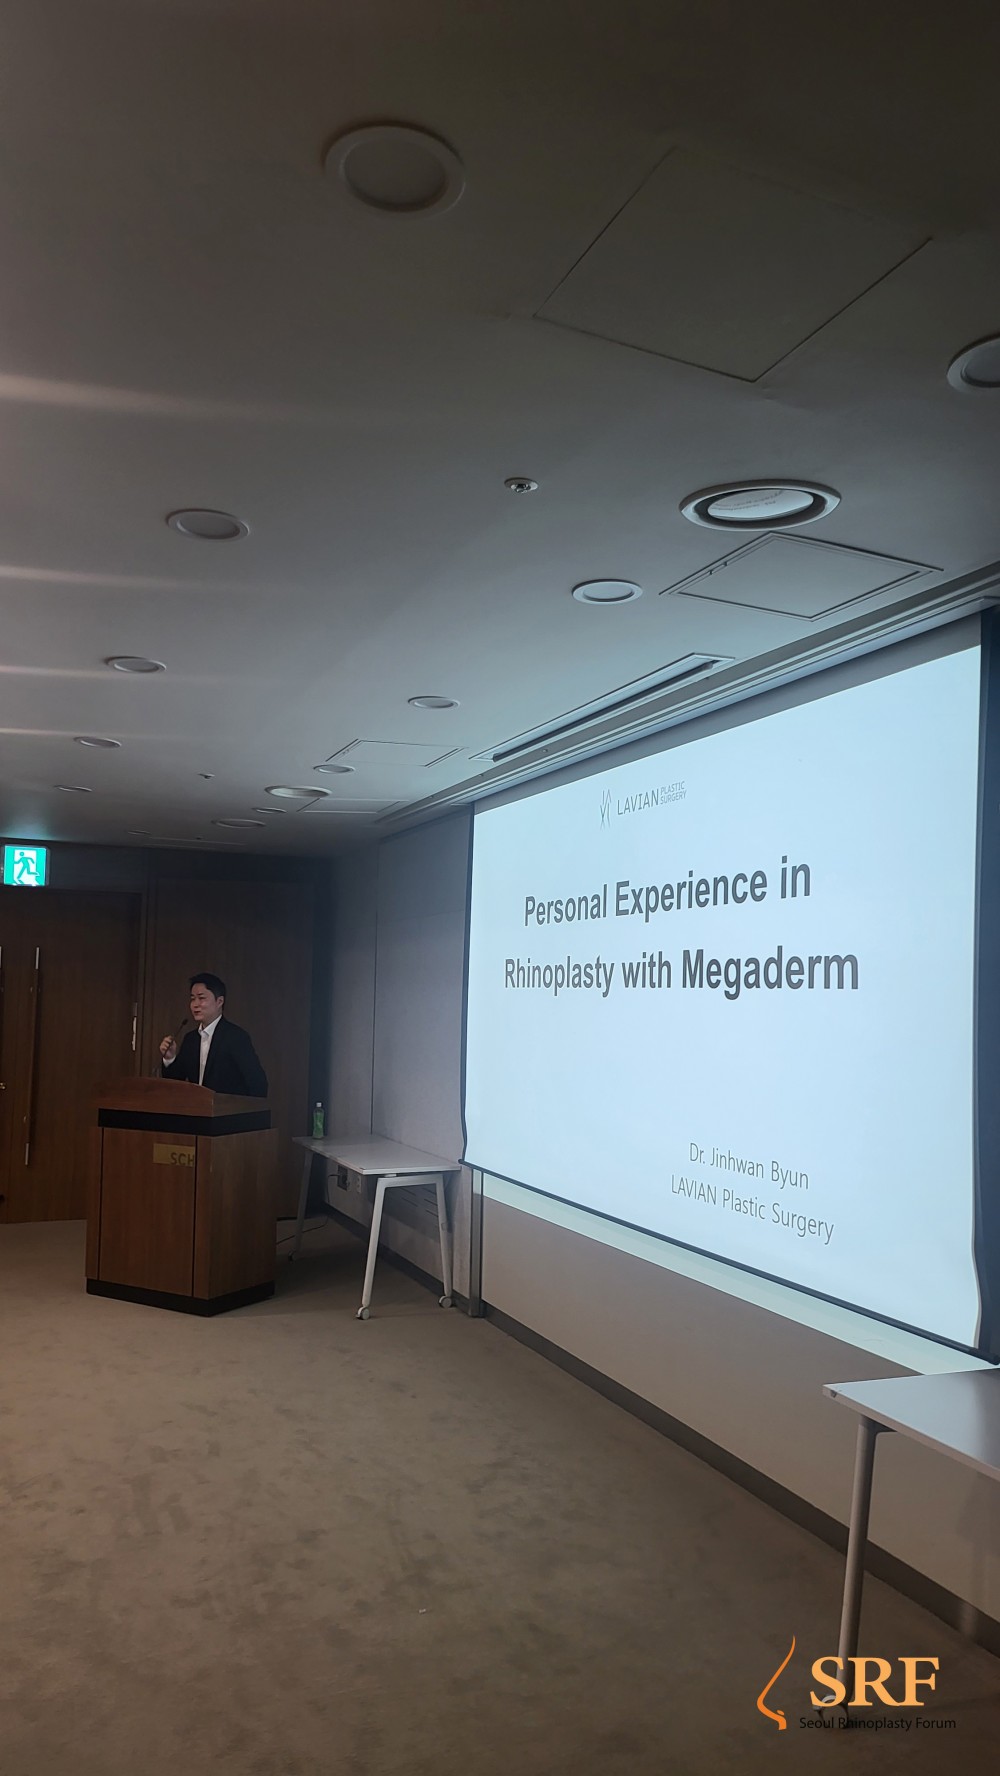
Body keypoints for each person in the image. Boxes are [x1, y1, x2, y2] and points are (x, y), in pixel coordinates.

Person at [159, 973, 268, 1098]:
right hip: (196, 1108)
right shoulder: (190, 1039)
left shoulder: (236, 1037)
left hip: (226, 1109)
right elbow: (175, 1083)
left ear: (219, 1001)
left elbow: (258, 1084)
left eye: (201, 998)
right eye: (193, 999)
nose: (195, 1004)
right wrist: (169, 1058)